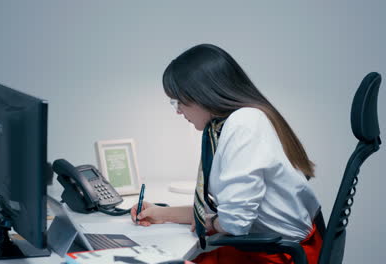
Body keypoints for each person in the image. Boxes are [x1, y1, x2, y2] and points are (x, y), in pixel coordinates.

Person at [130, 44, 322, 264]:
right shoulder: (233, 124)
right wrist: (160, 214)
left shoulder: (244, 123)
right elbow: (221, 212)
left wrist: (211, 223)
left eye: (179, 101)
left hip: (276, 257)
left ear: (202, 94)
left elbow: (234, 222)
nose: (178, 110)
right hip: (268, 249)